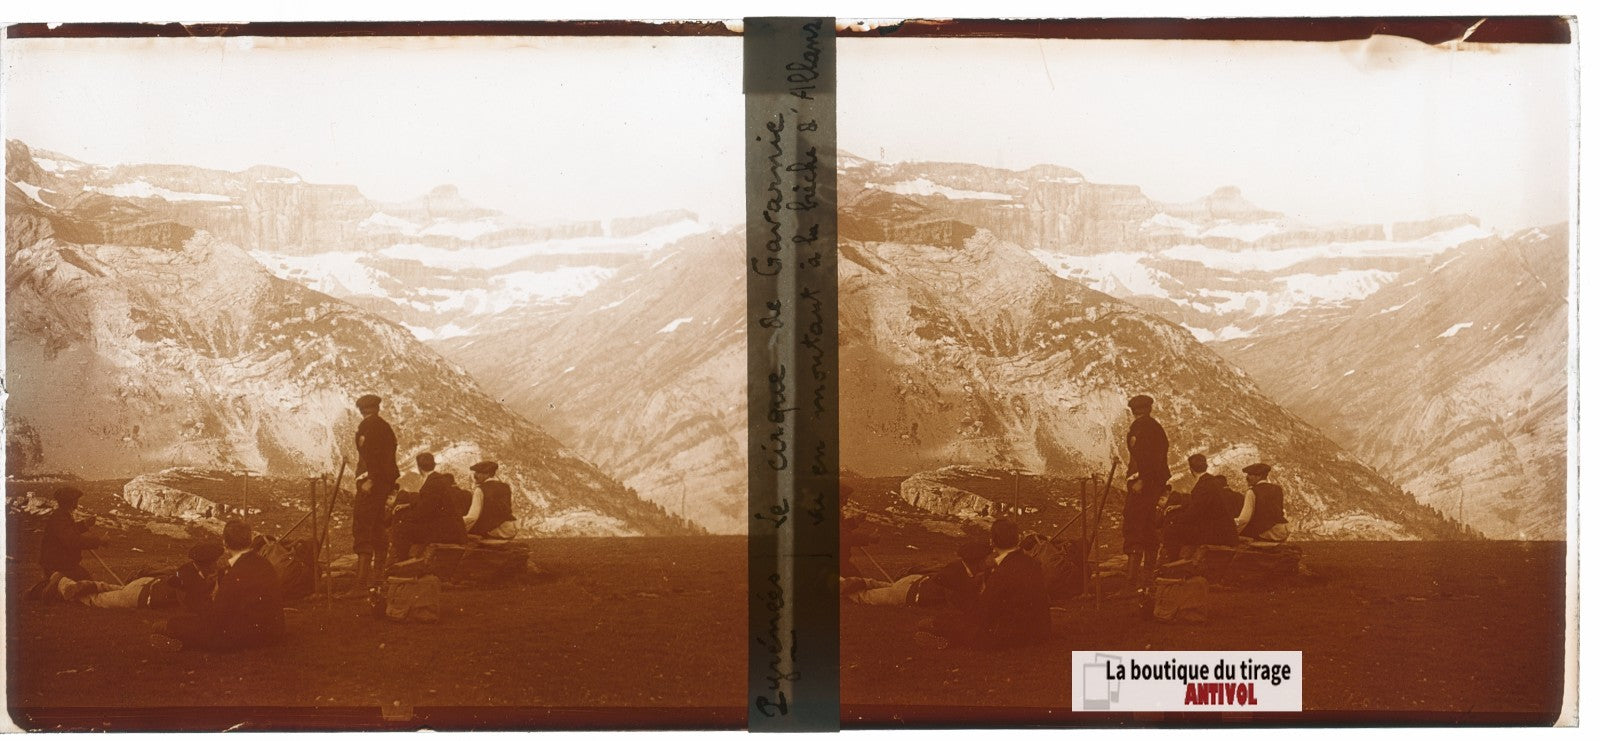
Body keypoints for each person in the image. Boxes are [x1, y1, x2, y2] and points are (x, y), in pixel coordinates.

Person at [153, 520, 284, 651]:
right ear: (249, 540)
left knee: (185, 625)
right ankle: (178, 637)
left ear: (225, 543)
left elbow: (217, 618)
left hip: (248, 636)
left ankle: (176, 636)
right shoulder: (265, 564)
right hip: (274, 632)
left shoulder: (233, 575)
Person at [976, 518, 1051, 648]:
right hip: (1040, 632)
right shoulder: (1033, 563)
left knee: (947, 622)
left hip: (1012, 636)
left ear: (992, 541)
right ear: (1018, 539)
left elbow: (985, 609)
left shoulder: (1002, 571)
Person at [842, 541, 990, 606]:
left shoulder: (957, 567)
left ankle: (864, 582)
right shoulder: (956, 575)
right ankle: (842, 587)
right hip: (910, 593)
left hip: (912, 582)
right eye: (986, 559)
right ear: (978, 561)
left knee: (886, 587)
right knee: (866, 597)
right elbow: (957, 600)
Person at [1123, 394, 1170, 592]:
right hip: (1155, 483)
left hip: (1145, 484)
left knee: (1134, 525)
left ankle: (1132, 582)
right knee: (1149, 527)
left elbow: (1145, 457)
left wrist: (1141, 479)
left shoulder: (1142, 428)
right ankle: (1147, 578)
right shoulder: (1155, 427)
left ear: (1134, 411)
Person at [353, 394, 399, 588]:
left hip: (372, 485)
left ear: (362, 410)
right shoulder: (385, 427)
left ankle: (361, 583)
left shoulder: (369, 427)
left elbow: (372, 454)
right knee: (378, 527)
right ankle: (377, 578)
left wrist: (370, 479)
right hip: (384, 484)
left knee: (363, 528)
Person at [390, 453, 467, 561]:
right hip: (452, 529)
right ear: (434, 464)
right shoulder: (440, 479)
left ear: (419, 467)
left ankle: (401, 564)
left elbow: (423, 513)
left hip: (445, 532)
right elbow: (430, 502)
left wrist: (403, 517)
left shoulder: (432, 483)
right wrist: (409, 505)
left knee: (401, 529)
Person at [1165, 455, 1241, 556]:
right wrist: (1180, 507)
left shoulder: (1203, 485)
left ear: (1191, 469)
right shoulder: (1214, 482)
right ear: (1206, 465)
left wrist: (1174, 520)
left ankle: (1173, 564)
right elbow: (1205, 504)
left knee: (1171, 530)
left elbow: (1194, 513)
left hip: (1216, 533)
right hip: (1226, 530)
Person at [39, 487, 105, 582]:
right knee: (86, 584)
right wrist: (99, 541)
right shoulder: (60, 517)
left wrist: (84, 524)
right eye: (76, 500)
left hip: (62, 565)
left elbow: (69, 532)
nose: (77, 503)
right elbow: (73, 541)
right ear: (72, 502)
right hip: (59, 566)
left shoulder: (61, 515)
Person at [464, 460, 517, 539]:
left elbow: (472, 517)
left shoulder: (480, 489)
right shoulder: (505, 486)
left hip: (495, 530)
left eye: (478, 473)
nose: (475, 475)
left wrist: (458, 524)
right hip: (511, 528)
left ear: (487, 474)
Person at [1238, 463, 1290, 541]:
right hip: (1281, 530)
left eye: (1250, 474)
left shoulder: (1252, 492)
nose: (1247, 477)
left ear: (1259, 476)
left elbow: (1244, 519)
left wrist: (1235, 532)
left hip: (1264, 533)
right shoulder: (1277, 489)